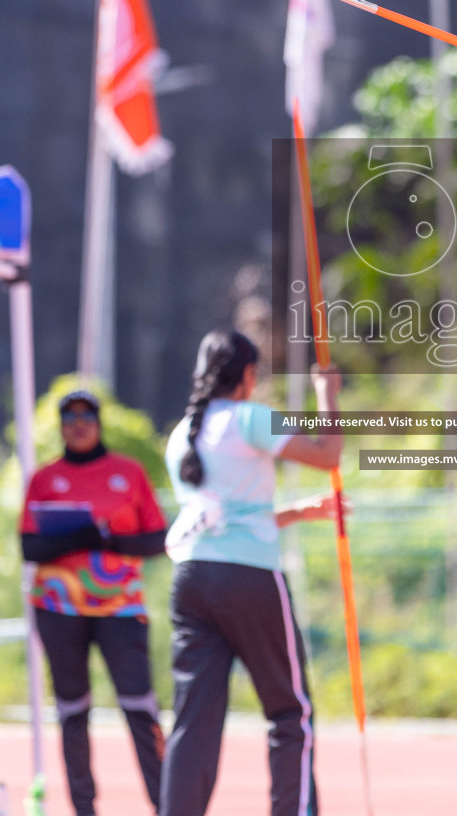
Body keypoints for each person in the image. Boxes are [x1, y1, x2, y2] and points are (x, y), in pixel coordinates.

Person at [160, 330, 345, 816]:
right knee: (290, 714)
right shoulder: (251, 418)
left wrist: (299, 512)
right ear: (246, 375)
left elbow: (223, 515)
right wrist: (329, 398)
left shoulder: (181, 434)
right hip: (250, 579)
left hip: (191, 579)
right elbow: (328, 456)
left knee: (193, 721)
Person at [19, 389, 169, 816]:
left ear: (99, 422)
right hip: (58, 607)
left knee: (140, 704)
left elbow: (158, 539)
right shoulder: (45, 478)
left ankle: (166, 803)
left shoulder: (129, 472)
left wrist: (111, 540)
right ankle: (83, 808)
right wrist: (77, 537)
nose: (79, 424)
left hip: (120, 605)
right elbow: (29, 546)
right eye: (70, 418)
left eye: (87, 416)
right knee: (73, 710)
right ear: (62, 425)